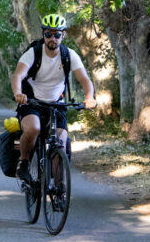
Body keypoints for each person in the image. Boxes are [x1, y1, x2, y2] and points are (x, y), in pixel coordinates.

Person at [10, 14, 97, 182]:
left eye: (57, 34)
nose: (53, 38)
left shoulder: (69, 55)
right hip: (31, 101)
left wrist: (89, 97)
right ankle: (24, 163)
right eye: (48, 34)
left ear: (63, 35)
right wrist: (18, 93)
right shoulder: (33, 53)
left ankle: (59, 189)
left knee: (60, 142)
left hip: (57, 104)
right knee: (33, 129)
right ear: (43, 34)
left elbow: (85, 79)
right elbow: (17, 75)